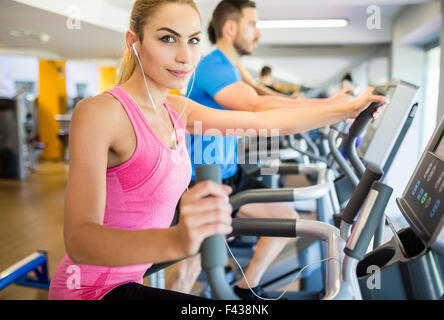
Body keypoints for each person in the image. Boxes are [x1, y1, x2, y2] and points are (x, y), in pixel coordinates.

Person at [48, 0, 386, 300]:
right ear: (133, 42)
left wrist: (346, 110)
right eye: (168, 38)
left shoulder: (176, 108)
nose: (185, 56)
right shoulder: (100, 113)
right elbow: (79, 240)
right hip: (92, 290)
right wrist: (177, 241)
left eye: (193, 40)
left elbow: (266, 121)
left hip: (132, 279)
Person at [166, 0, 385, 300]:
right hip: (200, 179)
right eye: (252, 25)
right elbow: (256, 106)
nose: (258, 33)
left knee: (283, 219)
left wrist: (332, 104)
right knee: (188, 268)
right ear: (231, 28)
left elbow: (264, 95)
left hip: (228, 174)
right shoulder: (213, 66)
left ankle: (245, 292)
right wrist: (340, 108)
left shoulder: (232, 67)